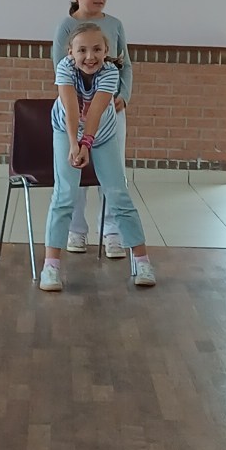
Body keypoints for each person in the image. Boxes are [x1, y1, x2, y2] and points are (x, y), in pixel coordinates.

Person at [40, 23, 155, 292]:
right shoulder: (65, 68)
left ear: (106, 51)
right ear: (70, 52)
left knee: (117, 194)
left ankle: (142, 262)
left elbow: (95, 112)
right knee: (65, 194)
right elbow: (70, 107)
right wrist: (74, 144)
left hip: (102, 133)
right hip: (65, 130)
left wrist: (86, 144)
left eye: (96, 50)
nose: (90, 56)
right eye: (82, 50)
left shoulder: (111, 72)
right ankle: (51, 267)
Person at [52, 0, 132, 259]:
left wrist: (122, 95)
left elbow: (125, 65)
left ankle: (112, 232)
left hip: (110, 110)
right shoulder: (66, 26)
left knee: (113, 172)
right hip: (77, 112)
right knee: (75, 166)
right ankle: (76, 230)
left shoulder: (115, 24)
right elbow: (60, 69)